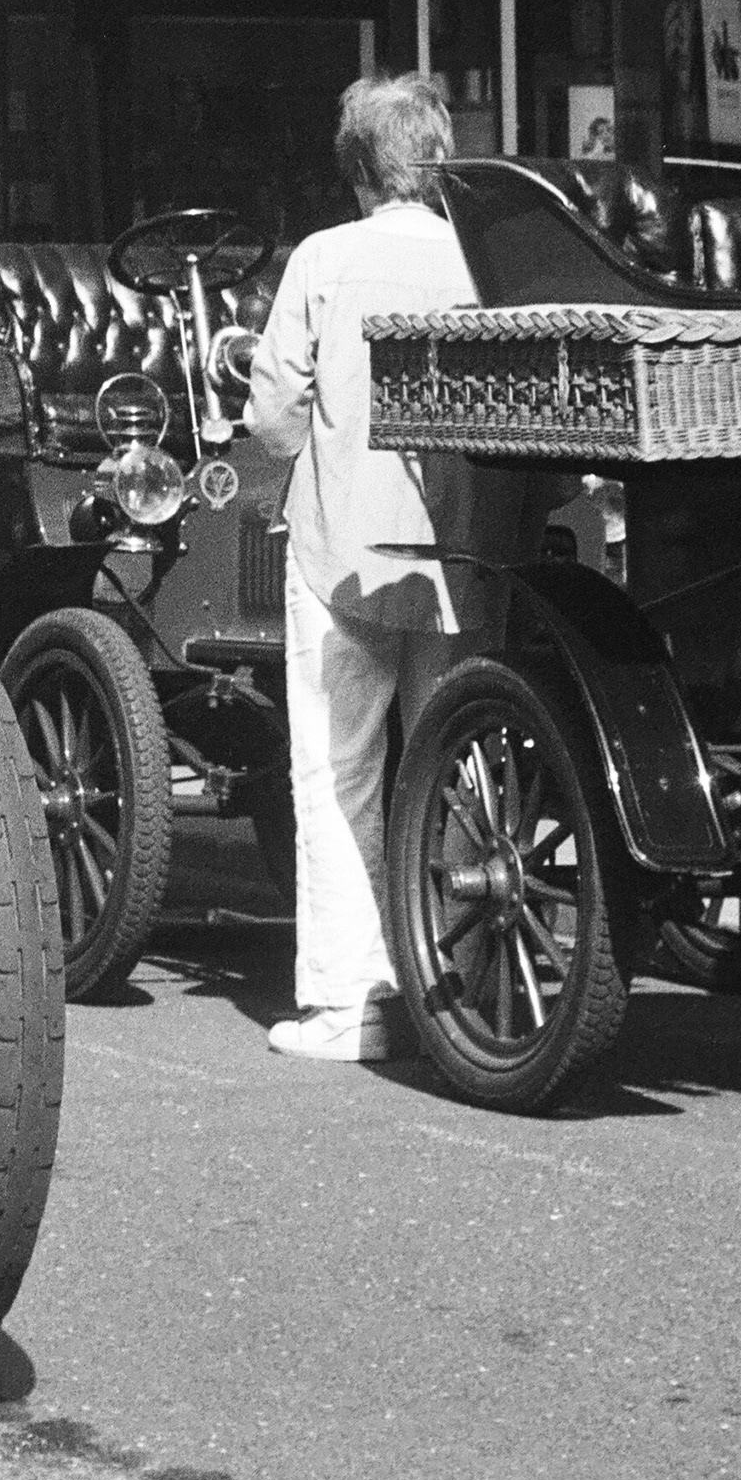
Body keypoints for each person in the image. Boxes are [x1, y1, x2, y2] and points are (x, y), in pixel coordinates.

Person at [240, 70, 493, 1064]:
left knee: (339, 769)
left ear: (356, 168)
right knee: (457, 765)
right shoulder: (482, 259)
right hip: (459, 548)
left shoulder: (324, 259)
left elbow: (273, 412)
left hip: (343, 539)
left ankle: (353, 1004)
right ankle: (461, 980)